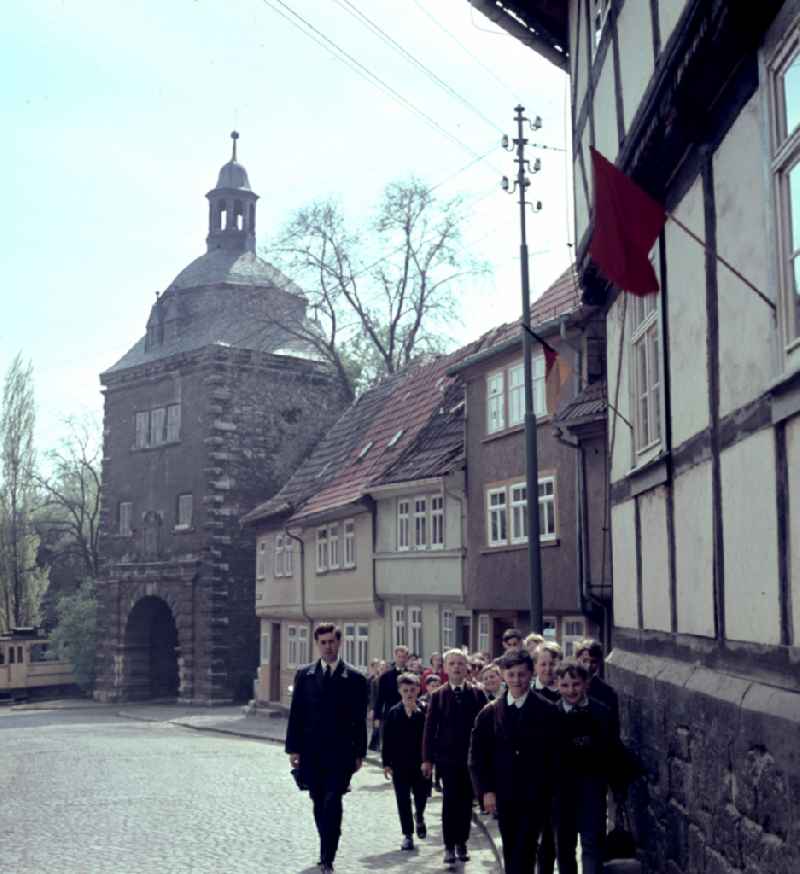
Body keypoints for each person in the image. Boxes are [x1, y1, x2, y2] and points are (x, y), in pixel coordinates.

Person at [469, 649, 561, 874]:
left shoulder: (547, 710)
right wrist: (486, 790)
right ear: (503, 675)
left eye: (521, 674)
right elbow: (478, 755)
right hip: (504, 793)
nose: (517, 680)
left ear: (531, 674)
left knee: (527, 847)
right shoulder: (489, 713)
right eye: (511, 675)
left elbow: (556, 755)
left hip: (536, 794)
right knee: (510, 848)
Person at [285, 623, 368, 873]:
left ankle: (327, 856)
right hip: (312, 751)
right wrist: (293, 749)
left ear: (339, 643)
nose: (328, 646)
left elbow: (359, 719)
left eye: (332, 641)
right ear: (317, 644)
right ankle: (327, 840)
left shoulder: (354, 678)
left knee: (333, 800)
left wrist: (359, 753)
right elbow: (296, 714)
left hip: (340, 752)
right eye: (323, 642)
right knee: (318, 801)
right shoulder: (305, 675)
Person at [422, 648, 487, 865]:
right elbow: (430, 730)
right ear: (445, 668)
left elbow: (485, 728)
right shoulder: (438, 696)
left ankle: (462, 841)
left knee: (466, 803)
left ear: (466, 667)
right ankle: (449, 845)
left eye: (460, 663)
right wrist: (427, 759)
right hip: (447, 759)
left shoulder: (477, 694)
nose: (457, 667)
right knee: (450, 801)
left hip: (471, 759)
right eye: (452, 664)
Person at [553, 661, 616, 874]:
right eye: (565, 685)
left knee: (591, 846)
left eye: (576, 684)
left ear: (586, 684)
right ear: (557, 685)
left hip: (592, 790)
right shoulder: (551, 715)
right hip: (561, 794)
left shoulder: (601, 713)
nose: (571, 690)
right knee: (564, 848)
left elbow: (610, 750)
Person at [382, 673, 431, 851]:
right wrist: (386, 763)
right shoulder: (394, 712)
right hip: (400, 764)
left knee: (421, 797)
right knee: (402, 799)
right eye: (405, 691)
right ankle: (408, 834)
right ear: (399, 691)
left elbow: (430, 735)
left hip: (420, 763)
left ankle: (419, 816)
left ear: (418, 690)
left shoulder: (425, 711)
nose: (409, 694)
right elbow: (386, 739)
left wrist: (430, 760)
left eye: (412, 690)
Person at [575, 638, 619, 737]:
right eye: (584, 661)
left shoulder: (608, 692)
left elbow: (613, 728)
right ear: (577, 659)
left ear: (599, 662)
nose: (588, 666)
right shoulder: (566, 687)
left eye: (593, 662)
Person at [375, 645, 410, 731]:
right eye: (399, 657)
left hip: (408, 713)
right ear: (395, 657)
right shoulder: (385, 677)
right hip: (390, 713)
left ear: (407, 658)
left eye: (404, 657)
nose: (401, 659)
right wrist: (377, 717)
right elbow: (380, 698)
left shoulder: (412, 675)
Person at [367, 658, 383, 751]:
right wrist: (371, 708)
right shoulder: (370, 680)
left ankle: (374, 745)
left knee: (377, 727)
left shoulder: (381, 678)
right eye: (376, 666)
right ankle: (372, 745)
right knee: (374, 726)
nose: (378, 668)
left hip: (379, 705)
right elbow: (370, 695)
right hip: (372, 705)